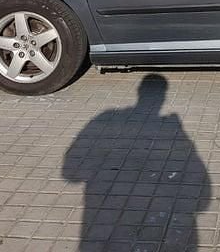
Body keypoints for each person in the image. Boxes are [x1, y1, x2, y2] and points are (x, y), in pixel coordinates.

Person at [62, 74, 211, 251]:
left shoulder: (106, 118)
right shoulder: (173, 128)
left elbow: (70, 173)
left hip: (102, 225)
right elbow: (202, 200)